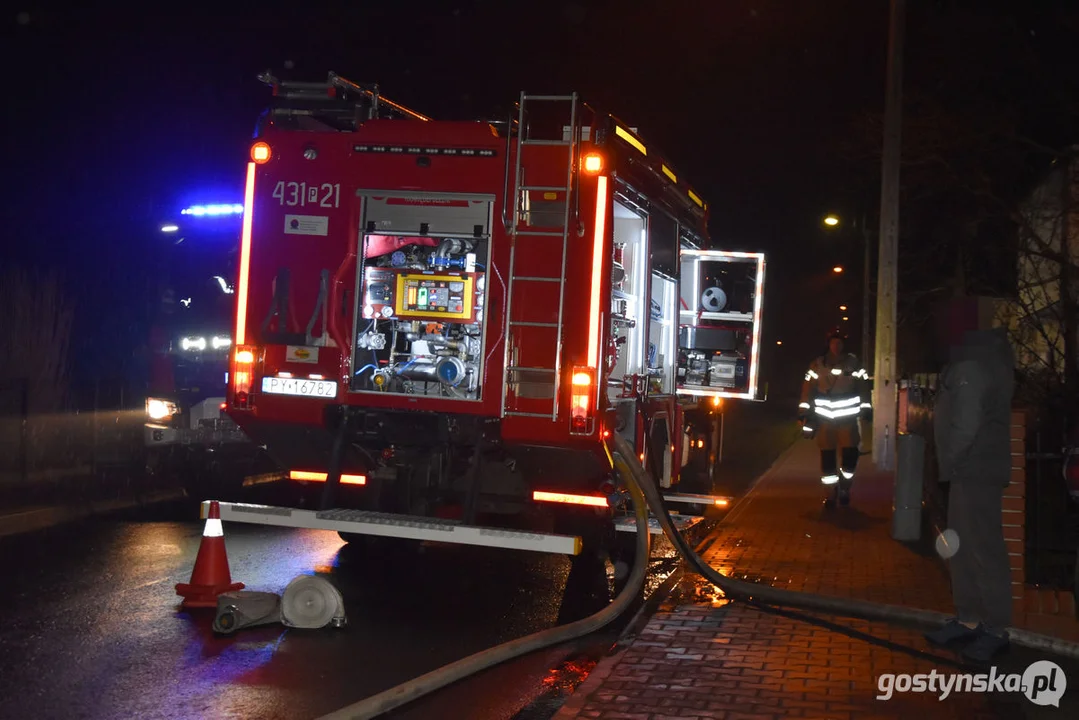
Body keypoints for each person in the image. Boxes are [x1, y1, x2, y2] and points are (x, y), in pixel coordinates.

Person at [924, 320, 1015, 663]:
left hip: (974, 470)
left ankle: (994, 629)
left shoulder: (973, 366)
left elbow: (965, 422)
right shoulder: (978, 361)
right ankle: (969, 619)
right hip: (971, 470)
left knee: (982, 549)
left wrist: (949, 461)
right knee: (962, 548)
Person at [798, 328, 872, 507]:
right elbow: (808, 390)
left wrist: (867, 408)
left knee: (850, 458)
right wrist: (804, 413)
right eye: (834, 342)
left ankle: (845, 488)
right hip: (825, 421)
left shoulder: (853, 364)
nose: (837, 346)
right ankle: (830, 495)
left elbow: (863, 387)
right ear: (828, 344)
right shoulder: (817, 366)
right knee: (828, 460)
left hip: (848, 421)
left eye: (840, 342)